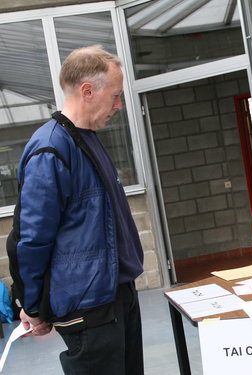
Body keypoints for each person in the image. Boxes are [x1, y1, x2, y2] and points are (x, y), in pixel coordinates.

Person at [7, 45, 144, 375]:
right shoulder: (51, 149)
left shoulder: (88, 139)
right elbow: (31, 239)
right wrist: (32, 305)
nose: (118, 105)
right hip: (90, 304)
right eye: (114, 95)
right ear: (87, 91)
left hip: (116, 293)